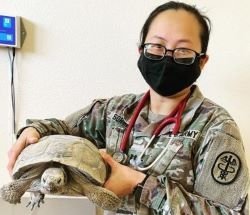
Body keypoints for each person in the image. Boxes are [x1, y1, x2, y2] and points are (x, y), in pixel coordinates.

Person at [7, 1, 249, 215]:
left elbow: (231, 212)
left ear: (202, 61)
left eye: (183, 51)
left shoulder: (217, 129)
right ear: (141, 51)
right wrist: (34, 131)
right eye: (157, 46)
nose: (167, 57)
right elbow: (60, 129)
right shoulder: (115, 111)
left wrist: (142, 186)